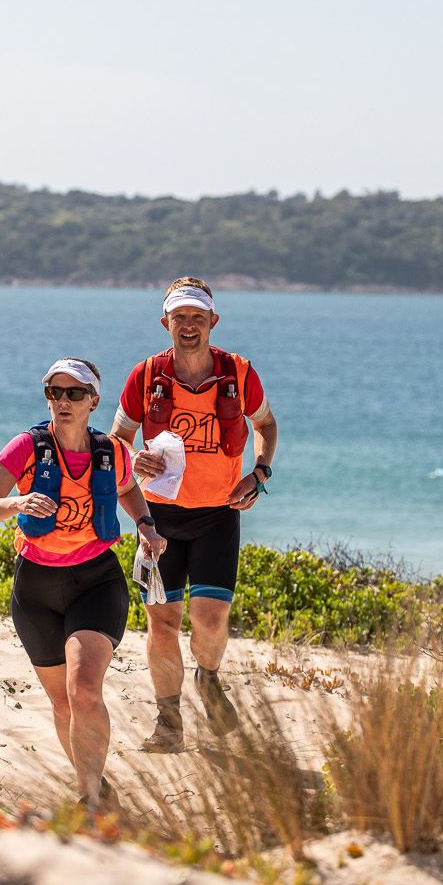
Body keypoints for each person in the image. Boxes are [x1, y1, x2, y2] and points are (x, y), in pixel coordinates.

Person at [0, 358, 164, 808]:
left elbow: (128, 488)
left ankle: (89, 798)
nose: (63, 401)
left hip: (95, 581)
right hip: (35, 588)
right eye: (54, 392)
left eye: (74, 393)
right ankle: (95, 783)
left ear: (94, 401)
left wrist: (147, 526)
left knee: (84, 690)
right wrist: (17, 503)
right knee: (62, 705)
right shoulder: (26, 448)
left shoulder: (110, 451)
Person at [111, 277, 277, 750]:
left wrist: (260, 473)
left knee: (209, 620)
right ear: (165, 322)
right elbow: (117, 441)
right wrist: (131, 459)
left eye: (197, 318)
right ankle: (168, 723)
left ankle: (208, 678)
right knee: (161, 623)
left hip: (218, 516)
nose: (188, 326)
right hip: (156, 519)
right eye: (179, 317)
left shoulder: (239, 373)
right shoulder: (145, 376)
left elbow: (265, 424)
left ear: (213, 322)